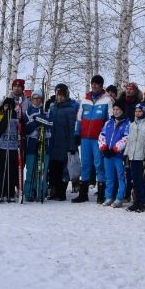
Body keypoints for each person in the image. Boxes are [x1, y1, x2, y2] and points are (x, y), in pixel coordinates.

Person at [74, 74, 113, 203]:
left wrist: (107, 138)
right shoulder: (85, 100)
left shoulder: (107, 100)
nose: (94, 85)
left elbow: (110, 121)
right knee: (85, 165)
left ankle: (101, 193)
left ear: (101, 85)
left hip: (99, 139)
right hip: (85, 138)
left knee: (99, 165)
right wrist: (76, 134)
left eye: (97, 83)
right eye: (93, 83)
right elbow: (79, 119)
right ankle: (83, 193)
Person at [44, 84, 77, 200]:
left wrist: (71, 145)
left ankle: (61, 192)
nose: (60, 98)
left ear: (66, 96)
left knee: (63, 170)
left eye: (63, 96)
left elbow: (72, 129)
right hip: (52, 144)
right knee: (53, 169)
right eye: (59, 95)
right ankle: (53, 191)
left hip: (64, 144)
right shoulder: (52, 108)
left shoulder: (70, 110)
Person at [125, 102, 145, 212]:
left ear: (144, 112)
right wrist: (126, 153)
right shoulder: (133, 124)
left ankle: (143, 202)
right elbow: (129, 140)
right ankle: (136, 201)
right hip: (133, 156)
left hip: (142, 156)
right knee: (134, 180)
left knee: (142, 180)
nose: (138, 113)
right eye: (136, 111)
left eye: (140, 111)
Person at [98, 103, 130, 207]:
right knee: (109, 177)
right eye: (114, 109)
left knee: (120, 176)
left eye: (118, 109)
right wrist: (104, 148)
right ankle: (109, 197)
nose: (115, 111)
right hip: (107, 154)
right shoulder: (108, 122)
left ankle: (120, 198)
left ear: (122, 111)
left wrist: (116, 149)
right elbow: (102, 135)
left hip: (118, 155)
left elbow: (126, 138)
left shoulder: (127, 123)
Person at [0, 97, 22, 203]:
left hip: (13, 147)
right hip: (2, 147)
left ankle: (10, 192)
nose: (7, 108)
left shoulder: (16, 116)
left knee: (12, 171)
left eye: (9, 106)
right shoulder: (0, 115)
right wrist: (5, 117)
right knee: (2, 171)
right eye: (5, 105)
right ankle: (1, 192)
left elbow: (20, 128)